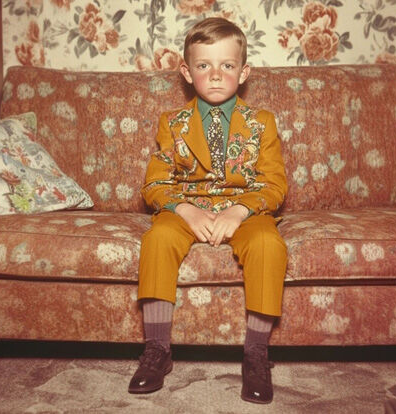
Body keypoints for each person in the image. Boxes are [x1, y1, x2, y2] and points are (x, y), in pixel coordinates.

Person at [129, 17, 288, 404]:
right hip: (188, 208)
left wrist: (238, 211)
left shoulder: (261, 123)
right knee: (159, 237)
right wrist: (185, 209)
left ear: (243, 71)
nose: (215, 76)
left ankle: (256, 354)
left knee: (268, 243)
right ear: (186, 72)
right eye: (204, 66)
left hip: (246, 211)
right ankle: (157, 350)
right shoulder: (173, 123)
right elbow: (154, 183)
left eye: (227, 66)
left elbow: (274, 184)